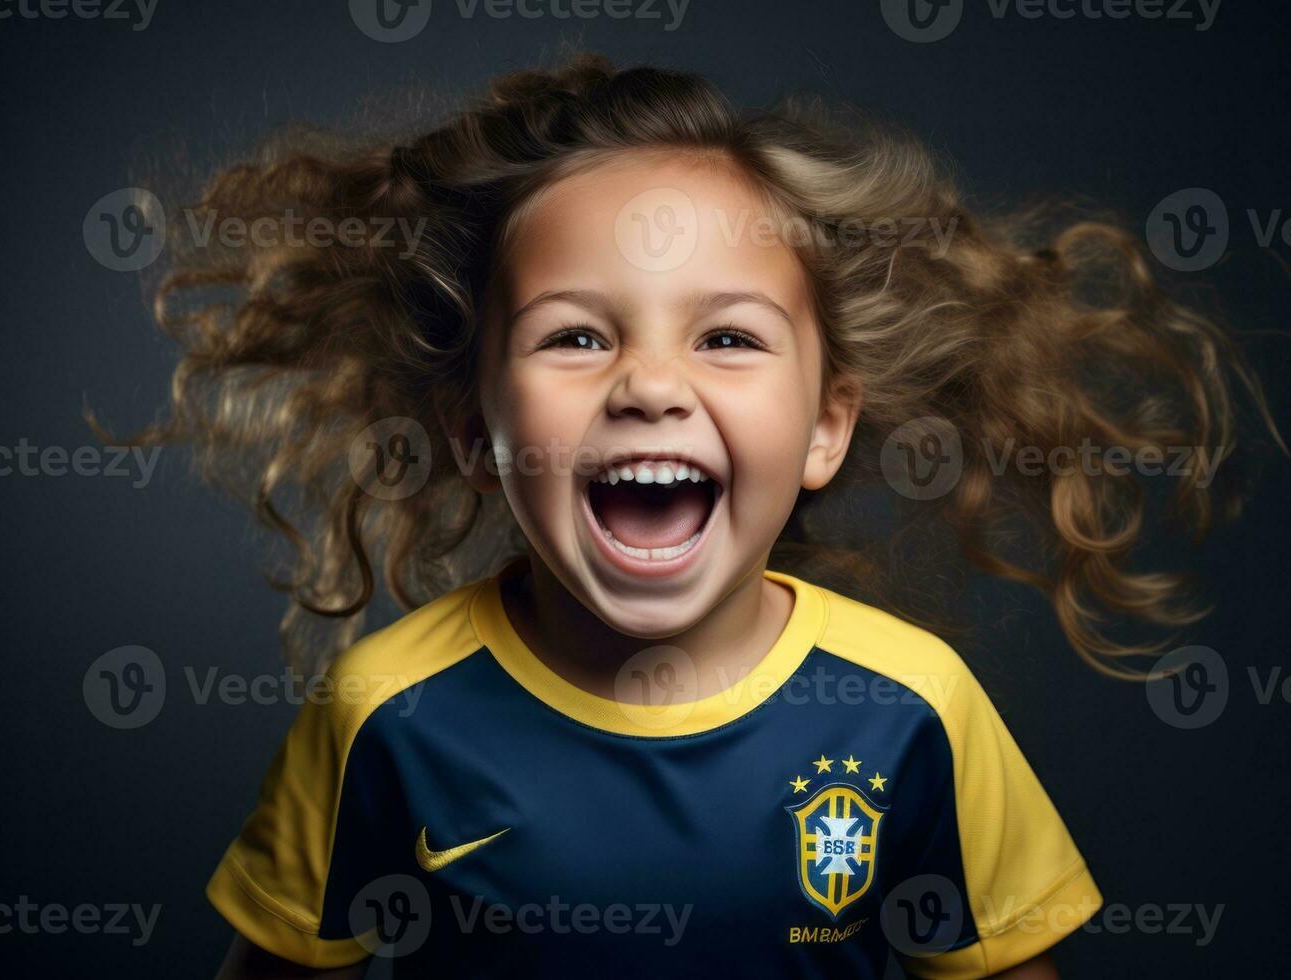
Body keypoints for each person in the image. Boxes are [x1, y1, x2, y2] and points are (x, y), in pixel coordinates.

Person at [125, 51, 1277, 978]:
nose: (648, 383)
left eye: (725, 335)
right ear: (474, 431)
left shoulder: (913, 710)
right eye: (575, 334)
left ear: (825, 427)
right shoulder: (383, 712)